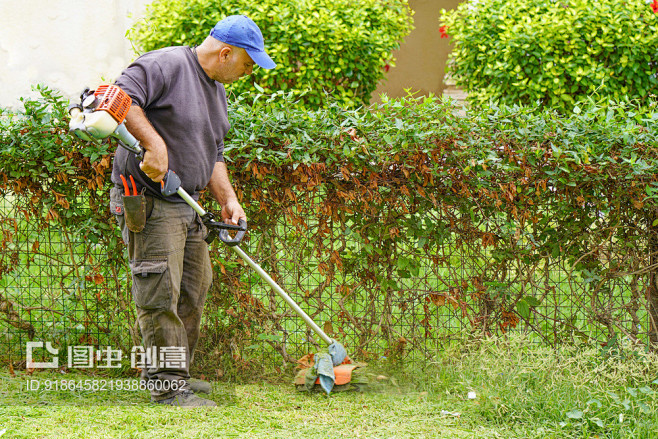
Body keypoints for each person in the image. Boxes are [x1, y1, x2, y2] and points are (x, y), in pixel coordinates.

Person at [109, 15, 276, 407]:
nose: (247, 72)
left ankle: (175, 374)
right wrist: (154, 144)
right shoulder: (165, 64)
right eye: (247, 64)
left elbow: (213, 152)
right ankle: (167, 388)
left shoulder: (215, 90)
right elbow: (119, 97)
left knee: (192, 291)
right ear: (225, 52)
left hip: (189, 204)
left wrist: (228, 200)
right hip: (150, 202)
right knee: (159, 294)